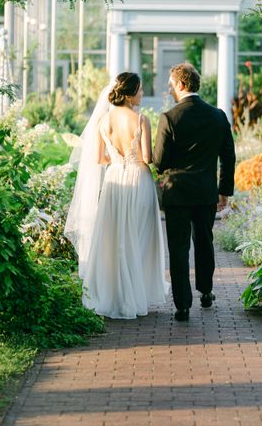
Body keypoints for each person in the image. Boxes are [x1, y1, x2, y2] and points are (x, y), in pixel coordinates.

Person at [65, 72, 168, 319]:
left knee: (115, 237)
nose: (143, 94)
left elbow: (100, 158)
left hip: (114, 180)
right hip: (138, 179)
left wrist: (118, 158)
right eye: (141, 90)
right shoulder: (141, 119)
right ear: (131, 93)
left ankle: (115, 294)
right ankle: (134, 292)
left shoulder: (103, 121)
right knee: (139, 237)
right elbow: (146, 158)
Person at [153, 62, 236, 322]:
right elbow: (229, 157)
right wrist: (224, 191)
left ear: (180, 84)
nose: (169, 89)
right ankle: (206, 291)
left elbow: (160, 162)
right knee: (204, 242)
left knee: (178, 248)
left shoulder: (169, 118)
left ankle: (182, 306)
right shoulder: (218, 115)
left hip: (176, 193)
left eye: (170, 84)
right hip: (205, 192)